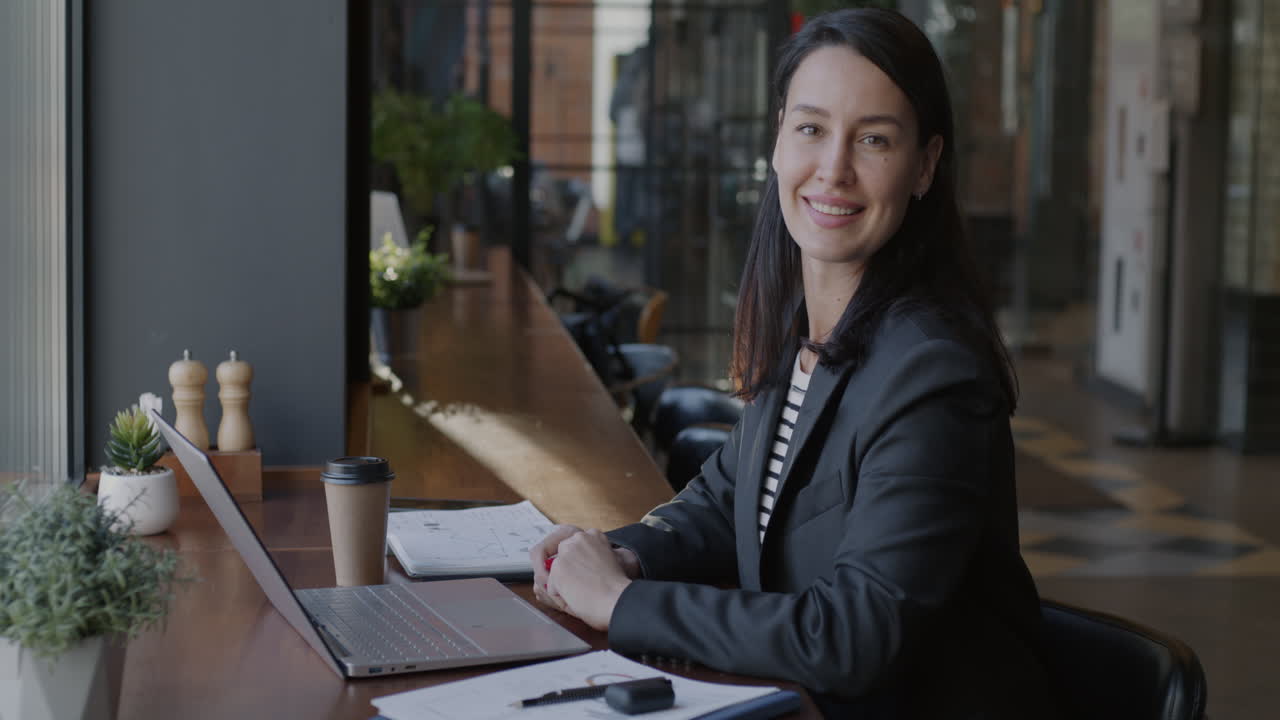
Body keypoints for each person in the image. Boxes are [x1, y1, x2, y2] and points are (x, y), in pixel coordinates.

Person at [531, 8, 1062, 719]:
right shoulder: (807, 332)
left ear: (925, 165)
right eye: (811, 129)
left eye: (873, 139)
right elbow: (729, 502)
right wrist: (613, 556)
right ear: (778, 140)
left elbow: (852, 638)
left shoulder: (934, 374)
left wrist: (624, 602)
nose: (833, 170)